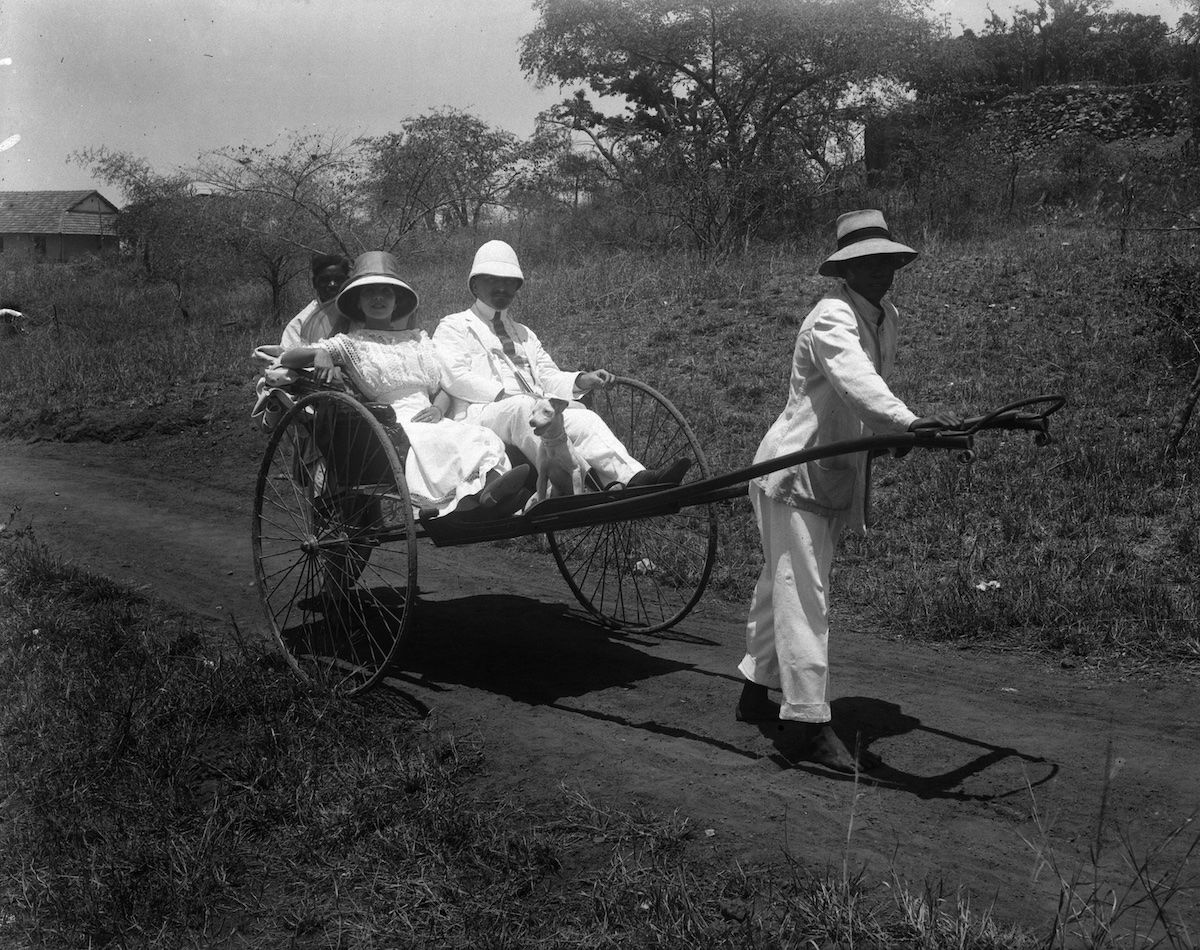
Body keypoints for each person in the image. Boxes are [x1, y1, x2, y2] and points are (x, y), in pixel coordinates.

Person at [736, 209, 960, 773]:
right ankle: (806, 722)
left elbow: (862, 398)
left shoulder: (885, 318)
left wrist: (890, 437)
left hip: (832, 469)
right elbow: (858, 384)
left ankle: (754, 689)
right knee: (803, 595)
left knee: (782, 585)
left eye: (888, 261)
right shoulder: (831, 316)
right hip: (794, 470)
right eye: (868, 262)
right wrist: (905, 424)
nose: (882, 271)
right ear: (846, 269)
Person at [279, 251, 530, 520]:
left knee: (479, 436)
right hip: (390, 420)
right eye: (369, 293)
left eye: (385, 292)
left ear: (396, 300)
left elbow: (444, 386)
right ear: (358, 301)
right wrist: (321, 353)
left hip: (428, 414)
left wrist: (437, 408)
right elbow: (288, 356)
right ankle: (472, 498)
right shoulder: (350, 342)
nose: (378, 299)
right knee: (441, 440)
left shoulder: (417, 339)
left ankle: (490, 492)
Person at [434, 240, 690, 491]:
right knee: (523, 407)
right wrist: (503, 394)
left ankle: (635, 478)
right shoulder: (454, 326)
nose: (502, 288)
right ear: (475, 285)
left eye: (509, 282)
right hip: (483, 414)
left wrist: (580, 381)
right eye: (493, 280)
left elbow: (547, 376)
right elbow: (453, 376)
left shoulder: (523, 334)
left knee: (585, 419)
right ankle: (582, 485)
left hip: (535, 408)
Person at [280, 253, 352, 349]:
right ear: (314, 283)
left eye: (338, 279)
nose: (332, 285)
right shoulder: (302, 322)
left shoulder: (359, 312)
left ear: (347, 281)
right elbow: (287, 354)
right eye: (325, 280)